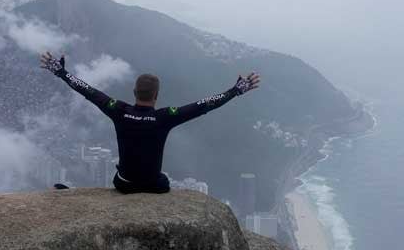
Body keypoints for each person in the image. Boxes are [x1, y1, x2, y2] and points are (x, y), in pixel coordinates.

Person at [40, 51, 260, 194]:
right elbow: (204, 105)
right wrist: (235, 91)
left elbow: (88, 91)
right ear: (157, 96)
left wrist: (61, 72)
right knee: (164, 180)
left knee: (122, 175)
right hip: (154, 185)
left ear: (134, 92)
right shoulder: (164, 117)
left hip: (124, 184)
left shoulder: (119, 110)